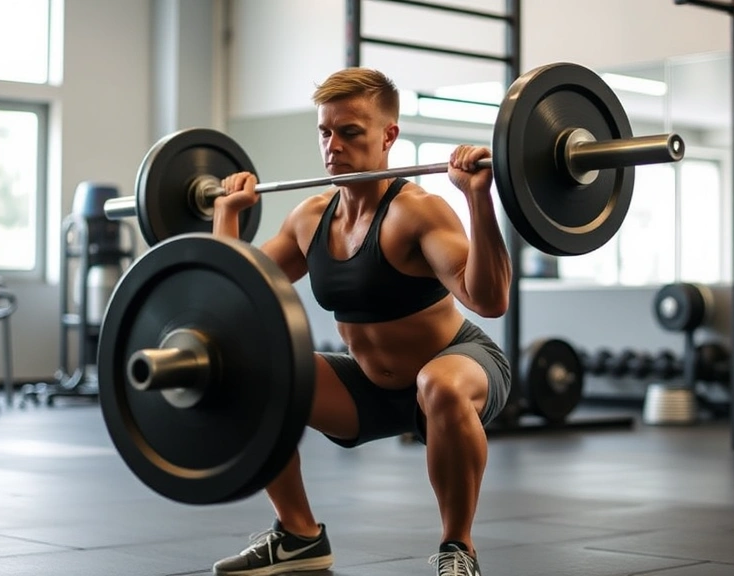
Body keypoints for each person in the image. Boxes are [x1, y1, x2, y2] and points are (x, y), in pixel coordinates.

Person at [209, 67, 512, 576]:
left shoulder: (419, 211)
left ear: (388, 136)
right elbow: (233, 295)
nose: (334, 146)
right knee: (258, 376)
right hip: (369, 389)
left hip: (456, 366)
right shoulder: (310, 218)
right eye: (325, 132)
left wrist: (478, 198)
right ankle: (299, 535)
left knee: (438, 384)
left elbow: (489, 299)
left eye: (350, 132)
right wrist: (226, 214)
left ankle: (457, 548)